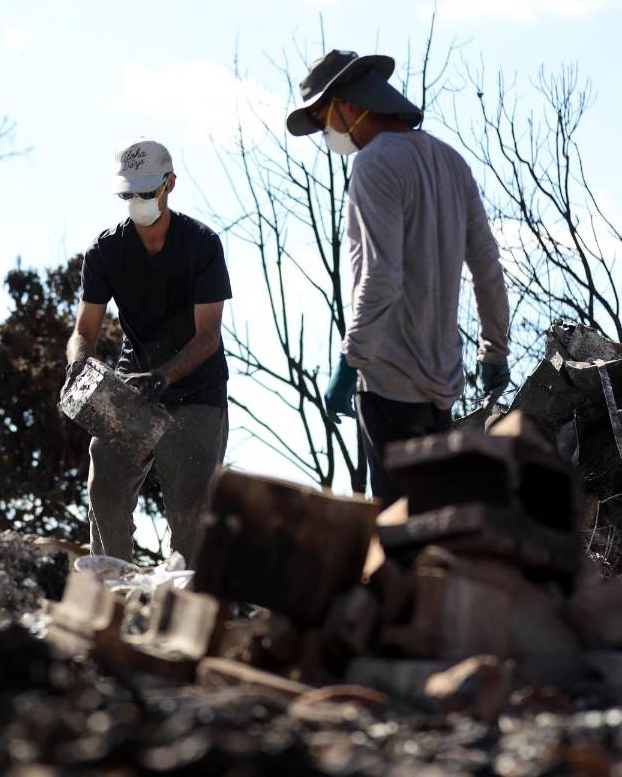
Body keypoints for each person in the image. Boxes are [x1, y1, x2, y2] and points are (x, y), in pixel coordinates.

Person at [286, 50, 511, 505]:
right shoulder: (452, 162)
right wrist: (495, 350)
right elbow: (487, 264)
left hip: (387, 380)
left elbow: (381, 276)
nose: (327, 133)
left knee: (398, 525)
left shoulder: (374, 163)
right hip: (441, 388)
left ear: (346, 105)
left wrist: (350, 362)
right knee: (436, 521)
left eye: (324, 119)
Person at [63, 137, 231, 564]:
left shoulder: (202, 244)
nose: (137, 202)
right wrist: (77, 364)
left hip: (197, 392)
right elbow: (84, 329)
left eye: (146, 191)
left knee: (192, 516)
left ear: (169, 184)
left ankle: (186, 595)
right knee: (105, 485)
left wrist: (163, 376)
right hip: (133, 387)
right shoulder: (105, 251)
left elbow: (208, 336)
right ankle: (110, 583)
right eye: (128, 194)